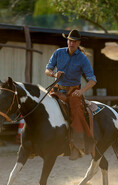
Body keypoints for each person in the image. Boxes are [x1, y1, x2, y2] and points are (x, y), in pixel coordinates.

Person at [45, 29, 97, 160]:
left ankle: (77, 147)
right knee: (43, 105)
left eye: (74, 41)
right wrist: (53, 74)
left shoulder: (83, 59)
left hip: (73, 92)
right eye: (69, 40)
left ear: (78, 43)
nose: (71, 43)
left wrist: (81, 91)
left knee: (77, 113)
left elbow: (92, 80)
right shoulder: (58, 52)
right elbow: (48, 69)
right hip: (57, 89)